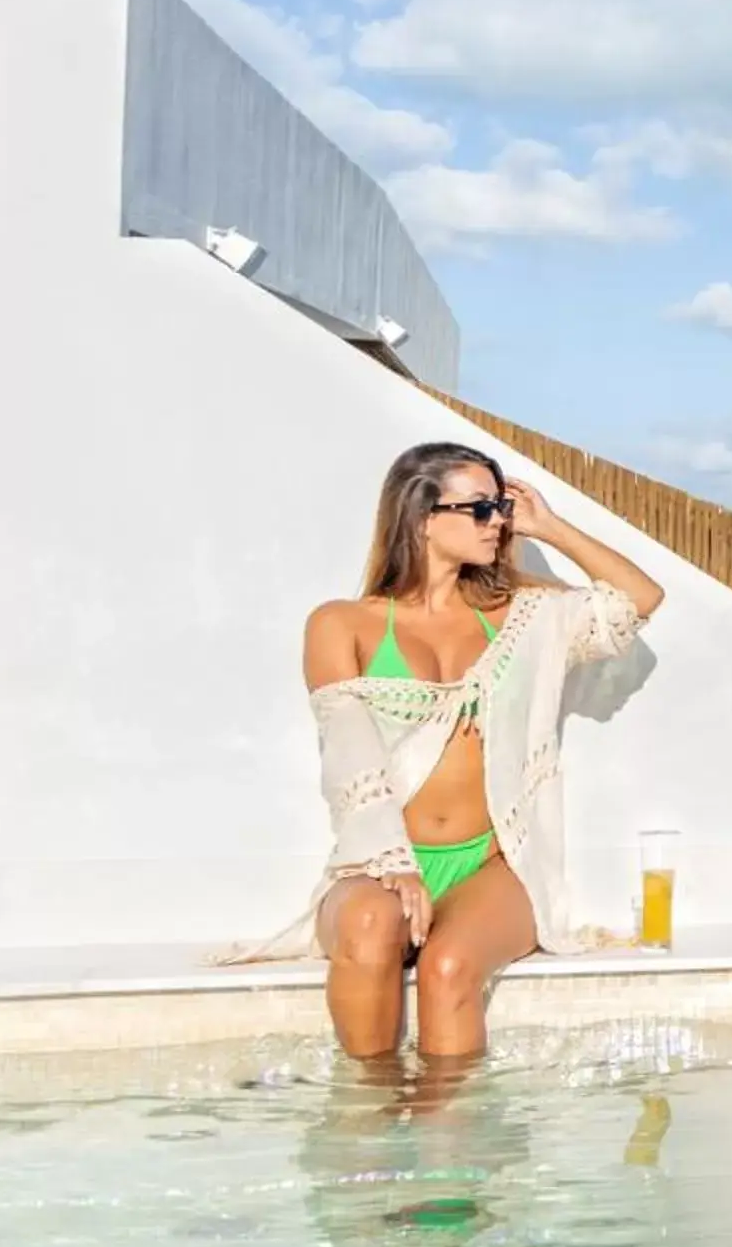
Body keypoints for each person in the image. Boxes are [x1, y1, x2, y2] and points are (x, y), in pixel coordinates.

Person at [257, 441, 665, 1059]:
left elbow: (638, 599)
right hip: (381, 860)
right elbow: (349, 757)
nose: (498, 521)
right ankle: (368, 1129)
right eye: (479, 508)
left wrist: (548, 526)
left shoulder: (523, 617)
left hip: (491, 863)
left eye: (500, 506)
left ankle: (454, 1153)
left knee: (448, 966)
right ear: (421, 517)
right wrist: (391, 863)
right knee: (371, 927)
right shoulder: (342, 623)